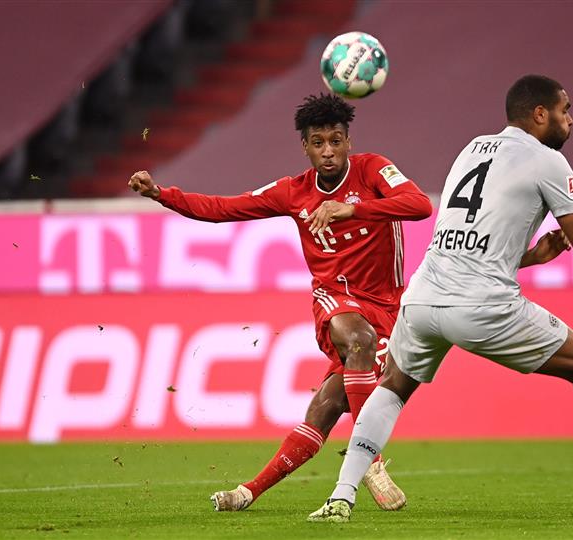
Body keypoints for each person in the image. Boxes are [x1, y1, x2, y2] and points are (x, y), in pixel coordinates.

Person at [307, 75, 573, 523]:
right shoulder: (548, 161)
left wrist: (527, 258)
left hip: (423, 298)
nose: (571, 120)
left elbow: (468, 244)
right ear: (539, 114)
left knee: (391, 389)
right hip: (482, 305)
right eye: (565, 110)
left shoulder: (472, 149)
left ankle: (340, 498)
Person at [128, 93, 434, 512]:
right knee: (357, 338)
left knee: (325, 409)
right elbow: (223, 209)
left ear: (349, 141)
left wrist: (351, 210)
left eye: (336, 140)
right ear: (304, 147)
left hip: (388, 308)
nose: (328, 152)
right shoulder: (293, 192)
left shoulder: (374, 169)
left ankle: (247, 492)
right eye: (318, 143)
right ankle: (372, 462)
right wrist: (163, 194)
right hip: (337, 298)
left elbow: (419, 206)